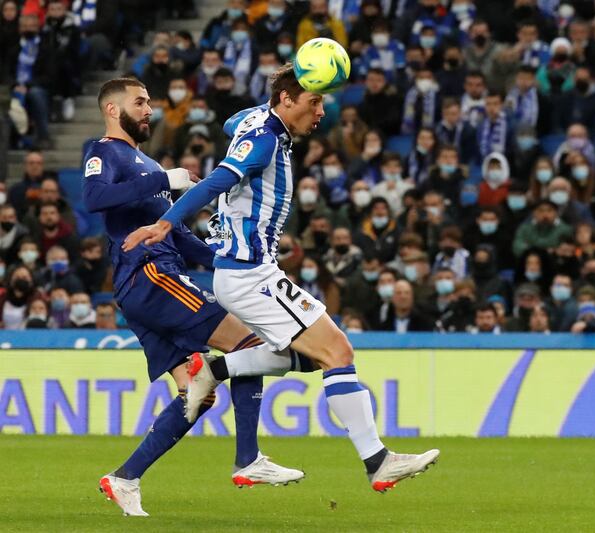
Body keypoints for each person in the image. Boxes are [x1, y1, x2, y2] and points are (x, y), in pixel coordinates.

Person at [123, 65, 439, 494]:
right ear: (287, 101)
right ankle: (377, 461)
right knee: (338, 351)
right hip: (249, 274)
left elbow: (232, 120)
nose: (321, 111)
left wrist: (290, 81)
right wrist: (165, 224)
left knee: (314, 358)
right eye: (314, 102)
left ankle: (212, 369)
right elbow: (218, 180)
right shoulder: (265, 139)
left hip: (254, 271)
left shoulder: (258, 121)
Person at [84, 78, 317, 517]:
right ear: (113, 111)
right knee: (249, 343)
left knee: (198, 392)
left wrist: (228, 261)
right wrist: (162, 178)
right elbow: (94, 198)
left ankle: (125, 477)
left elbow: (182, 237)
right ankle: (248, 458)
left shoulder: (146, 160)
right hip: (151, 276)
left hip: (143, 287)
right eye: (140, 102)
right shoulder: (105, 152)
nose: (150, 109)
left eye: (150, 101)